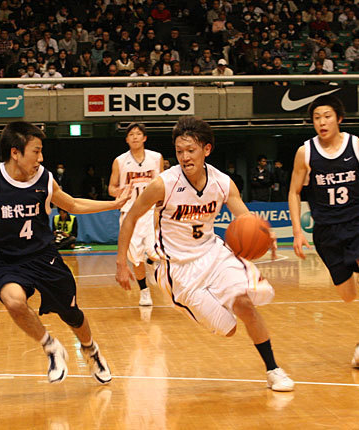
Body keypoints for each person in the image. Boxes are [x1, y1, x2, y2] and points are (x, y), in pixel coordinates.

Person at [115, 116, 294, 392]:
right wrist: (121, 263)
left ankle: (273, 369)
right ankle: (207, 304)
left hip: (213, 254)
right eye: (179, 152)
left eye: (191, 150)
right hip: (178, 270)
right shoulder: (164, 184)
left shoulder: (222, 183)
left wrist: (263, 232)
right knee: (229, 328)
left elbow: (244, 216)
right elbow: (130, 218)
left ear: (206, 150)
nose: (185, 157)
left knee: (245, 304)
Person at [0, 122, 131, 385]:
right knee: (13, 301)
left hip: (45, 258)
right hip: (9, 262)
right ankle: (51, 347)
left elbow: (73, 204)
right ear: (15, 152)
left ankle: (91, 349)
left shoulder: (44, 178)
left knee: (73, 316)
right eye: (36, 151)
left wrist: (114, 204)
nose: (41, 158)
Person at [288, 95, 359, 367]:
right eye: (317, 117)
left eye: (327, 116)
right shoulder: (305, 152)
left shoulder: (355, 145)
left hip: (356, 224)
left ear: (339, 119)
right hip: (327, 232)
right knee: (348, 295)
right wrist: (297, 231)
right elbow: (294, 192)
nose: (322, 122)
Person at [109, 123, 164, 306]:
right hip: (130, 213)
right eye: (131, 134)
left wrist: (161, 207)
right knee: (135, 258)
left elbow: (164, 184)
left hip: (150, 211)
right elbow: (111, 188)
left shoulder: (156, 158)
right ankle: (144, 291)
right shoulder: (119, 161)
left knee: (155, 250)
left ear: (144, 138)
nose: (134, 137)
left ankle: (153, 262)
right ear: (126, 139)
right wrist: (119, 192)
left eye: (138, 134)